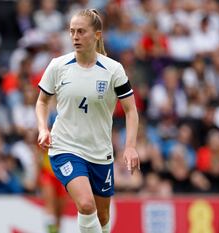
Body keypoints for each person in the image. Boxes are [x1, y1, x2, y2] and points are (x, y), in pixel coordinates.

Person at [35, 9, 139, 233]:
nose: (75, 37)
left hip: (100, 152)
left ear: (97, 35)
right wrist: (43, 128)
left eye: (81, 32)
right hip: (65, 147)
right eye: (72, 31)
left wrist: (130, 147)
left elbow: (130, 110)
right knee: (85, 204)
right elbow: (42, 102)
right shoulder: (58, 66)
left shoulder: (113, 70)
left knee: (102, 217)